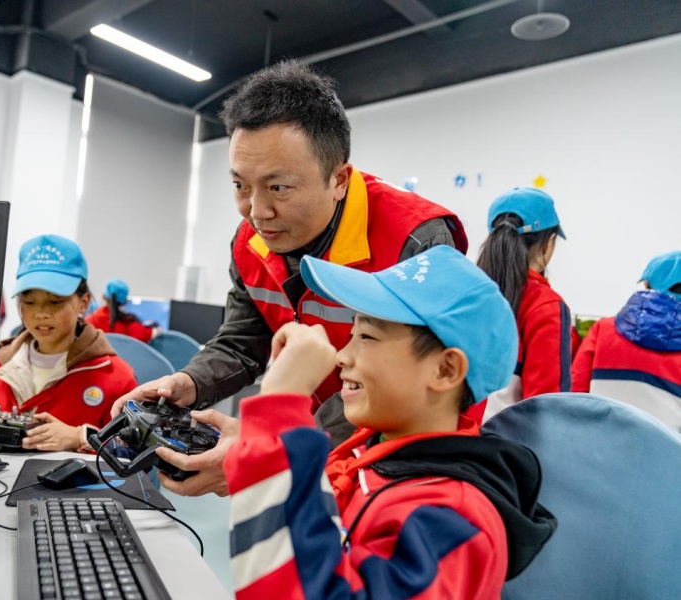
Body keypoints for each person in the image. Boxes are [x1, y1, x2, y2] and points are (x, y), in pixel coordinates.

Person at [113, 60, 468, 494]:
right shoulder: (250, 243)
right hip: (319, 438)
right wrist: (188, 383)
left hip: (408, 460)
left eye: (278, 187)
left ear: (338, 180)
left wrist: (272, 447)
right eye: (241, 185)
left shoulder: (415, 243)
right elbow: (242, 342)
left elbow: (400, 383)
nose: (257, 212)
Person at [220, 246, 555, 597]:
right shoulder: (367, 455)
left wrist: (280, 408)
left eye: (367, 337)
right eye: (351, 334)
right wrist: (255, 447)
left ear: (445, 370)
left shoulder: (452, 521)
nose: (342, 356)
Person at [0, 234, 138, 452]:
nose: (41, 313)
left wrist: (81, 437)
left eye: (55, 301)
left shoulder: (116, 378)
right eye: (29, 302)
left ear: (83, 303)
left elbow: (137, 454)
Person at [472, 187, 572, 423]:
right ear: (548, 244)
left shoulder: (466, 293)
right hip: (505, 444)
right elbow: (547, 409)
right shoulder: (546, 306)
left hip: (449, 438)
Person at [572, 250, 681, 430]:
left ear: (646, 285)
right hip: (666, 448)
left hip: (598, 442)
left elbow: (573, 398)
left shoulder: (602, 330)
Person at [85, 278, 161, 343]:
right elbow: (151, 333)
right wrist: (156, 329)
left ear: (103, 297)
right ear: (125, 302)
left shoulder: (90, 321)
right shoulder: (129, 324)